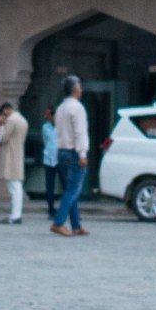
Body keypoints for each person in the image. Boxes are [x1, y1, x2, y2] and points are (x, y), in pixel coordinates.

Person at [49, 82, 92, 235]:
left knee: (70, 188)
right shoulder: (78, 108)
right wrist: (83, 154)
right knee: (73, 189)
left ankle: (76, 224)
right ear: (74, 89)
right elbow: (80, 132)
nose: (81, 89)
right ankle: (58, 222)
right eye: (79, 86)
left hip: (61, 151)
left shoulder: (60, 108)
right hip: (74, 151)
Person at [0, 97, 25, 227]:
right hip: (17, 154)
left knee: (14, 187)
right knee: (16, 186)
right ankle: (16, 214)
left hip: (11, 156)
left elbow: (3, 138)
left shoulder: (11, 119)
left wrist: (1, 125)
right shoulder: (21, 119)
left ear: (5, 111)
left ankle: (15, 215)